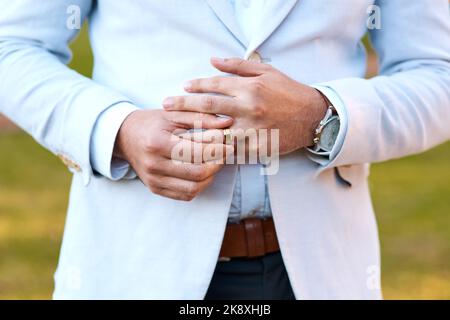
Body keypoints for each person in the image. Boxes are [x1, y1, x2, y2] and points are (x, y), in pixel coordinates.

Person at [0, 0, 449, 299]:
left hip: (321, 269)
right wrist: (117, 129)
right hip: (135, 263)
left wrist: (321, 115)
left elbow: (437, 73)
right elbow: (12, 45)